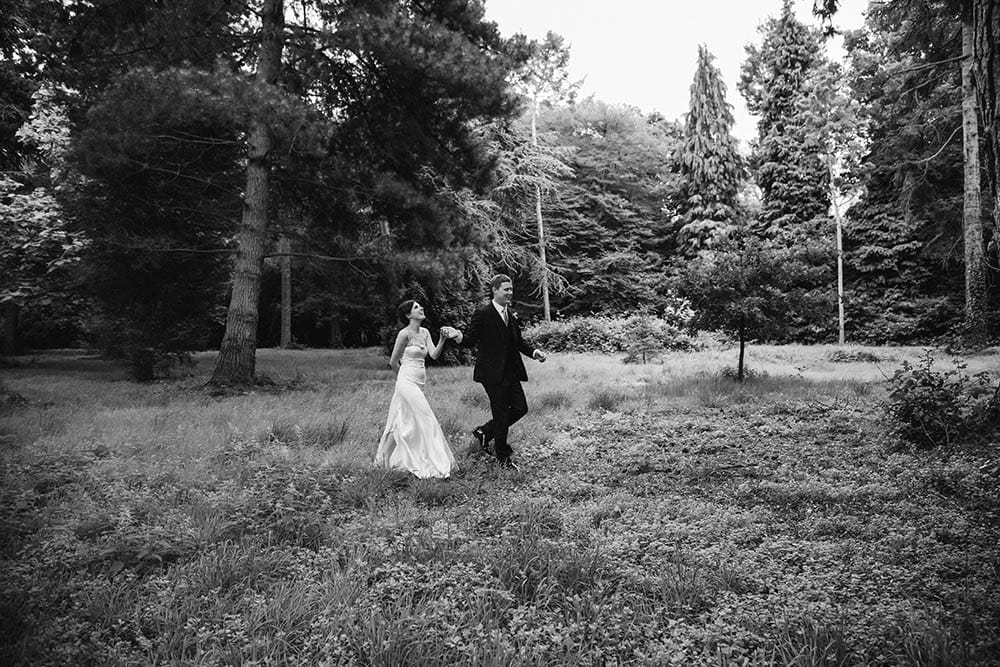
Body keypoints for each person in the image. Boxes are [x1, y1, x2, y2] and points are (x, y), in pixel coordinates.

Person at [445, 274, 546, 470]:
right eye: (506, 289)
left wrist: (534, 352)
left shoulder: (512, 315)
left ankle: (485, 432)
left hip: (512, 372)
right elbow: (470, 340)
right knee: (500, 414)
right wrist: (457, 335)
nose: (510, 293)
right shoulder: (483, 313)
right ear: (495, 290)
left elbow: (519, 342)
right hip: (491, 374)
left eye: (511, 289)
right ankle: (503, 458)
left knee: (520, 408)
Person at [374, 300, 457, 478]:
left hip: (420, 382)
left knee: (403, 419)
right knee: (427, 418)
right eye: (416, 308)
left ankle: (384, 459)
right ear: (408, 315)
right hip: (406, 380)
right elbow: (393, 362)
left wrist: (442, 340)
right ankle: (438, 464)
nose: (421, 309)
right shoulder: (404, 334)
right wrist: (402, 382)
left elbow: (433, 355)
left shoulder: (425, 332)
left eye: (420, 306)